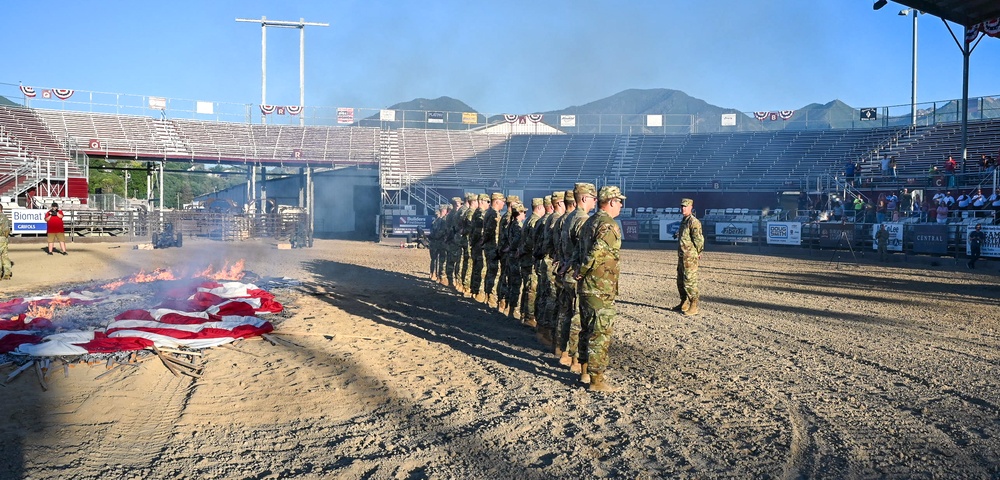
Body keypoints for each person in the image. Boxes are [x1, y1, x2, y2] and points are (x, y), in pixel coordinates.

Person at [577, 186, 626, 392]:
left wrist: (579, 270)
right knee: (600, 332)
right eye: (620, 201)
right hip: (599, 286)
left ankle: (585, 371)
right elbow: (597, 252)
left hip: (588, 287)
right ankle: (597, 380)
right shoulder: (608, 224)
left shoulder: (590, 221)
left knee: (587, 329)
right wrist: (583, 269)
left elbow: (579, 250)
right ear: (612, 202)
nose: (622, 205)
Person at [674, 198, 705, 315]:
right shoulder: (684, 221)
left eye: (685, 206)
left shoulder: (693, 222)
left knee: (689, 281)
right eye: (682, 206)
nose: (683, 208)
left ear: (691, 207)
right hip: (682, 255)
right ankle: (684, 302)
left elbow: (699, 239)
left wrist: (699, 252)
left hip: (690, 257)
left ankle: (694, 305)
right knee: (680, 280)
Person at [0, 204, 11, 280]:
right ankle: (7, 273)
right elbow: (8, 229)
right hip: (4, 238)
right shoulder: (5, 218)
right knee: (5, 256)